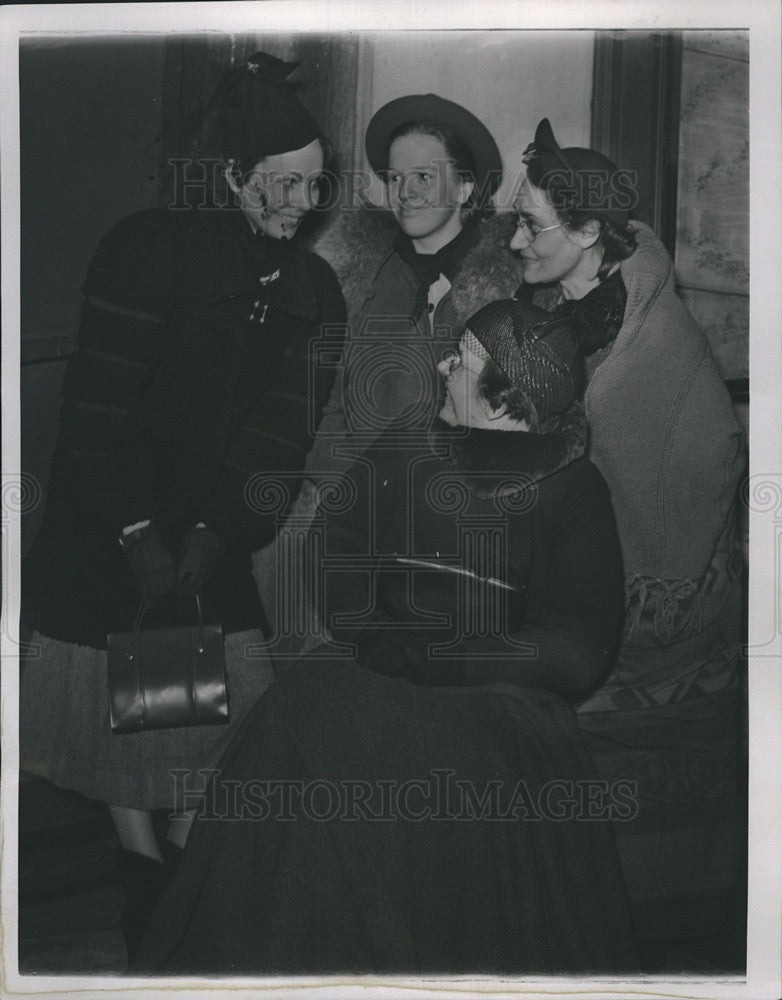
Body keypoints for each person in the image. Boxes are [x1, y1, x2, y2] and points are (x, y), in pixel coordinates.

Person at [133, 297, 639, 975]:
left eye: (463, 358)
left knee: (410, 755)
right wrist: (371, 634)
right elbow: (332, 539)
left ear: (506, 396)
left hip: (502, 700)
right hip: (381, 666)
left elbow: (577, 649)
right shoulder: (412, 441)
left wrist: (447, 663)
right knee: (297, 714)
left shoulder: (573, 491)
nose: (443, 363)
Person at [19, 51, 346, 959]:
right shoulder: (142, 249)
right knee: (126, 694)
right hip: (106, 524)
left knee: (218, 725)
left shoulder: (314, 292)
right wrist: (134, 532)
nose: (297, 207)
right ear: (232, 176)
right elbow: (96, 414)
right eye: (277, 187)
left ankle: (185, 878)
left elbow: (280, 441)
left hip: (209, 536)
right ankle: (143, 875)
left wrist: (220, 530)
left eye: (314, 188)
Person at [511, 118, 746, 955]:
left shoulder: (650, 342)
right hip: (584, 588)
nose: (515, 240)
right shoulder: (568, 310)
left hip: (662, 616)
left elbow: (680, 485)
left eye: (530, 224)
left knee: (652, 887)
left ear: (586, 234)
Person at [254, 92, 525, 637]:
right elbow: (321, 399)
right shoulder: (357, 277)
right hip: (343, 498)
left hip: (447, 517)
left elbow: (508, 439)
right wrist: (337, 488)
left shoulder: (509, 294)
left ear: (467, 187)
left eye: (425, 177)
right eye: (396, 178)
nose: (405, 193)